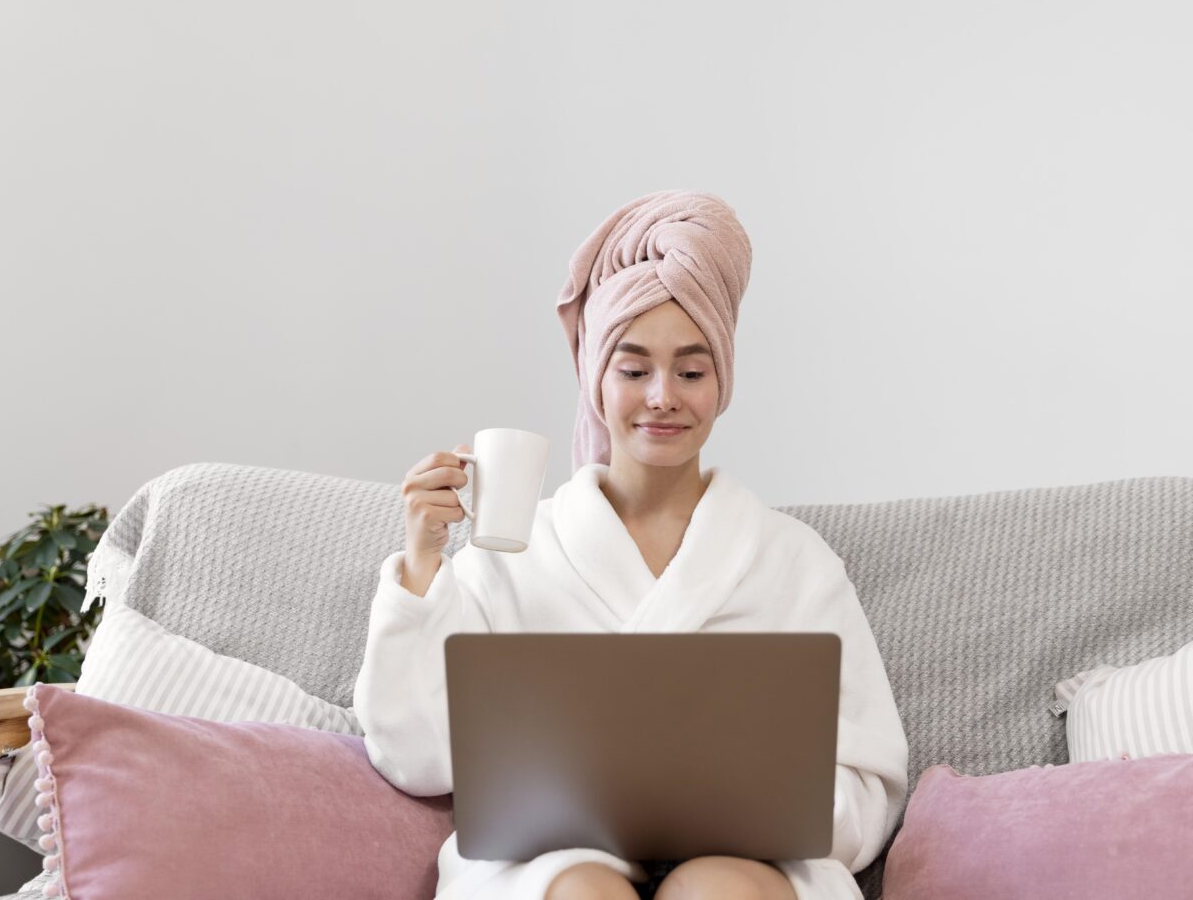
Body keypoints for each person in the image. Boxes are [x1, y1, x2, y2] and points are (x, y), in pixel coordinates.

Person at [353, 190, 908, 900]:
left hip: (750, 864)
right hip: (552, 862)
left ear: (722, 382)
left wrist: (750, 813)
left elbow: (870, 779)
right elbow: (416, 756)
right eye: (634, 368)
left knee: (718, 893)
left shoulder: (795, 562)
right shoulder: (512, 552)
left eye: (691, 370)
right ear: (596, 380)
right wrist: (425, 558)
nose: (662, 397)